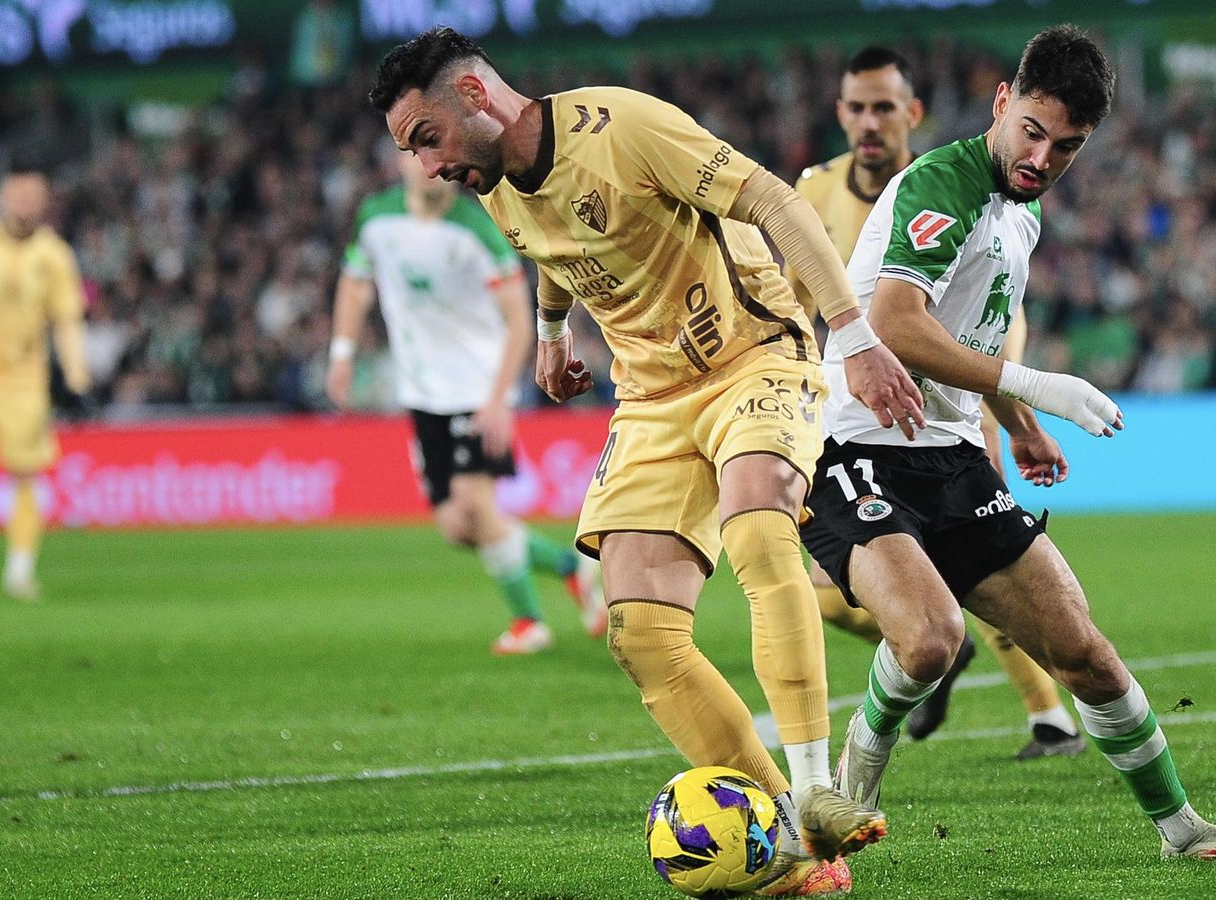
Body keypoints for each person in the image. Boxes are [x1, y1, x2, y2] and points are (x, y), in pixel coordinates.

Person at [368, 27, 926, 894]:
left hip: (752, 356)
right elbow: (553, 249)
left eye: (425, 138)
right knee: (640, 635)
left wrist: (851, 337)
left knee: (754, 521)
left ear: (475, 99)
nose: (428, 165)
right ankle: (789, 853)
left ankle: (820, 790)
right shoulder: (493, 185)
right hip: (653, 397)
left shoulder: (622, 127)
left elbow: (776, 203)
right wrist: (552, 335)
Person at [802, 26, 1216, 860]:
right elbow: (893, 325)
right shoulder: (944, 183)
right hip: (853, 445)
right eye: (1031, 130)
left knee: (1086, 655)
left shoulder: (1020, 210)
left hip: (950, 452)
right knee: (927, 639)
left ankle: (1182, 830)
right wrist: (1040, 389)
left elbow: (974, 334)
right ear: (1002, 102)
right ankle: (858, 768)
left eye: (1066, 146)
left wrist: (1018, 424)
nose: (1041, 157)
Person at [790, 45, 1084, 759]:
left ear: (911, 114)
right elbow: (795, 297)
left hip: (961, 400)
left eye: (884, 107)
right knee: (840, 592)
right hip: (846, 408)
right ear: (840, 113)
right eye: (856, 107)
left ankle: (1047, 714)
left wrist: (1010, 414)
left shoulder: (968, 186)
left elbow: (991, 318)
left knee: (982, 557)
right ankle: (934, 655)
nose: (869, 122)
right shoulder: (813, 191)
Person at [327, 148, 603, 655]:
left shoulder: (477, 231)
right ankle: (573, 568)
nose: (428, 166)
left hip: (477, 391)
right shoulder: (376, 218)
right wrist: (341, 353)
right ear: (399, 160)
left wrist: (499, 401)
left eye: (438, 156)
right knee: (457, 527)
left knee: (477, 508)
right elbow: (354, 282)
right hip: (421, 395)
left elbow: (520, 320)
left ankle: (529, 622)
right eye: (416, 154)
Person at [0, 168, 90, 601]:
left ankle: (20, 570)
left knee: (25, 474)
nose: (24, 202)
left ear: (44, 202)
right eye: (18, 193)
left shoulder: (55, 256)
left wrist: (77, 377)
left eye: (33, 195)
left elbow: (66, 320)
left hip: (24, 380)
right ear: (4, 196)